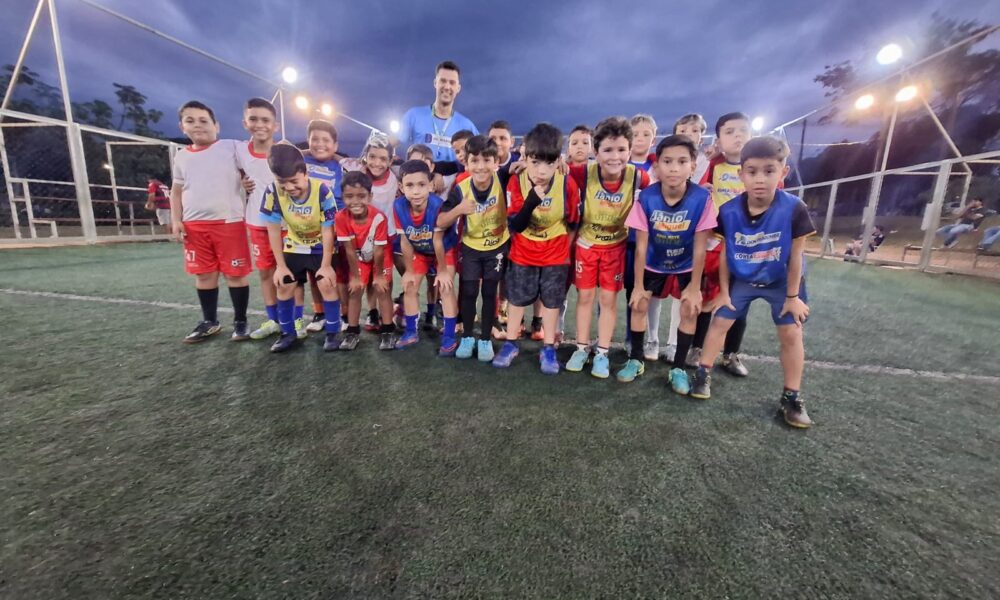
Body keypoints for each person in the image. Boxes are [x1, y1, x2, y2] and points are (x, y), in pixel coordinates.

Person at [690, 136, 816, 429]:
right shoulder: (729, 210)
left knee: (791, 333)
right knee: (720, 321)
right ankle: (703, 373)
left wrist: (793, 297)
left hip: (781, 282)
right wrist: (724, 291)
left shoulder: (793, 208)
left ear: (783, 172)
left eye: (769, 171)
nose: (760, 179)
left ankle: (791, 396)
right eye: (752, 171)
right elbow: (725, 254)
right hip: (744, 279)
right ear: (741, 174)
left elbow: (796, 257)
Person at [620, 135, 715, 389]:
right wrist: (638, 285)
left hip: (686, 263)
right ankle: (636, 359)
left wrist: (694, 287)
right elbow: (641, 247)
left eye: (682, 161)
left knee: (690, 308)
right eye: (667, 161)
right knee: (639, 304)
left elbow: (700, 247)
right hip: (653, 261)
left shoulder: (702, 199)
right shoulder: (646, 198)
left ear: (693, 165)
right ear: (657, 166)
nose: (674, 168)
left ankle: (678, 368)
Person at [565, 116, 649, 378]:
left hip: (616, 248)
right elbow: (555, 169)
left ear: (630, 150)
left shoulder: (639, 177)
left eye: (622, 149)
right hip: (586, 245)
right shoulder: (582, 173)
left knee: (608, 300)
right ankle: (581, 348)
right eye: (608, 150)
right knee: (585, 298)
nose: (615, 157)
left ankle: (602, 352)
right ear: (596, 151)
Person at [493, 123, 581, 374]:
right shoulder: (516, 182)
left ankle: (548, 347)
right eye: (535, 162)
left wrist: (564, 250)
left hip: (555, 254)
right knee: (517, 299)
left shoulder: (567, 184)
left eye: (549, 163)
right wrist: (532, 200)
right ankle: (511, 343)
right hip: (523, 251)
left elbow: (574, 222)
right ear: (525, 157)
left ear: (558, 161)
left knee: (552, 302)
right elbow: (516, 225)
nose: (542, 171)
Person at [169, 100, 252, 343]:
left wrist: (246, 180)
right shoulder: (182, 156)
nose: (198, 125)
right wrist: (176, 220)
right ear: (182, 127)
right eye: (190, 121)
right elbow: (176, 191)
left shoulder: (231, 147)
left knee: (235, 274)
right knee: (204, 274)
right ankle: (209, 321)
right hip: (194, 226)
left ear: (216, 125)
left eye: (203, 120)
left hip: (229, 223)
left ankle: (240, 322)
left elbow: (252, 167)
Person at [258, 143, 342, 353]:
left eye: (294, 181)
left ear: (305, 173)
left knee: (326, 284)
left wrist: (326, 265)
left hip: (321, 246)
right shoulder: (272, 192)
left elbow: (328, 230)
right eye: (282, 182)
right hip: (295, 245)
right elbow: (273, 230)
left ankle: (333, 334)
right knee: (284, 284)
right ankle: (287, 334)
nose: (288, 187)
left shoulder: (322, 192)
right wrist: (280, 266)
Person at [437, 135, 510, 361]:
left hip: (497, 247)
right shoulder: (460, 188)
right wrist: (458, 209)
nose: (481, 166)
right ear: (466, 163)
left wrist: (558, 162)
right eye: (475, 160)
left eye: (487, 160)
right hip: (470, 247)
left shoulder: (503, 179)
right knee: (468, 292)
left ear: (496, 162)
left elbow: (529, 170)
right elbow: (440, 221)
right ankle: (468, 336)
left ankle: (485, 339)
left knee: (489, 292)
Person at [693, 112, 753, 377]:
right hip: (715, 243)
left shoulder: (760, 167)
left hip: (746, 246)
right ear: (718, 139)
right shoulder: (713, 165)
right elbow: (695, 188)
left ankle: (731, 354)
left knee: (738, 302)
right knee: (706, 299)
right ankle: (696, 348)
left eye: (743, 130)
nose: (737, 136)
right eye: (729, 132)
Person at [647, 113, 711, 362]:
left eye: (694, 130)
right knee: (653, 294)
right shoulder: (658, 167)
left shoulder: (706, 163)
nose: (688, 134)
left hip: (687, 247)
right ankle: (652, 339)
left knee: (681, 297)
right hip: (658, 245)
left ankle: (674, 344)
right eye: (683, 130)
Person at [393, 160, 460, 353]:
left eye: (421, 185)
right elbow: (405, 241)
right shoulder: (398, 206)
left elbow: (438, 241)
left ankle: (449, 337)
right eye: (410, 185)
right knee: (410, 286)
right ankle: (411, 332)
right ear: (401, 187)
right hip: (420, 251)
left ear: (430, 185)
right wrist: (409, 271)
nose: (416, 191)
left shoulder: (437, 205)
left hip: (444, 250)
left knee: (445, 288)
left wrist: (442, 271)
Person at [236, 98, 283, 342]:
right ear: (245, 123)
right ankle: (273, 320)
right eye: (253, 119)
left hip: (285, 225)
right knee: (265, 273)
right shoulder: (239, 151)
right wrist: (241, 182)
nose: (260, 124)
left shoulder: (284, 152)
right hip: (257, 222)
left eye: (266, 120)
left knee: (288, 274)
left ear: (275, 125)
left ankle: (292, 320)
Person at [334, 171, 396, 350]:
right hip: (358, 256)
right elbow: (349, 249)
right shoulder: (340, 217)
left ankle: (387, 331)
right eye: (349, 196)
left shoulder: (379, 218)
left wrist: (379, 276)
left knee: (382, 289)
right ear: (343, 197)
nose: (355, 201)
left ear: (370, 196)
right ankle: (352, 332)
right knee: (355, 290)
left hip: (380, 256)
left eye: (361, 196)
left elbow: (379, 250)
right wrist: (355, 277)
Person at [301, 119, 345, 334]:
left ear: (335, 145)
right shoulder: (300, 162)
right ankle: (319, 312)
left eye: (326, 140)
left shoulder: (340, 167)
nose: (320, 144)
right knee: (313, 274)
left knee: (335, 274)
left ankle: (341, 314)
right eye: (315, 139)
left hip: (333, 229)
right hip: (305, 229)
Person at [395, 61, 478, 162]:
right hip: (421, 171)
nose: (447, 87)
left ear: (458, 88)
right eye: (443, 81)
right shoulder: (414, 115)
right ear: (435, 83)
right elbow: (390, 144)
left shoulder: (467, 125)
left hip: (454, 172)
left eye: (452, 83)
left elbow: (484, 151)